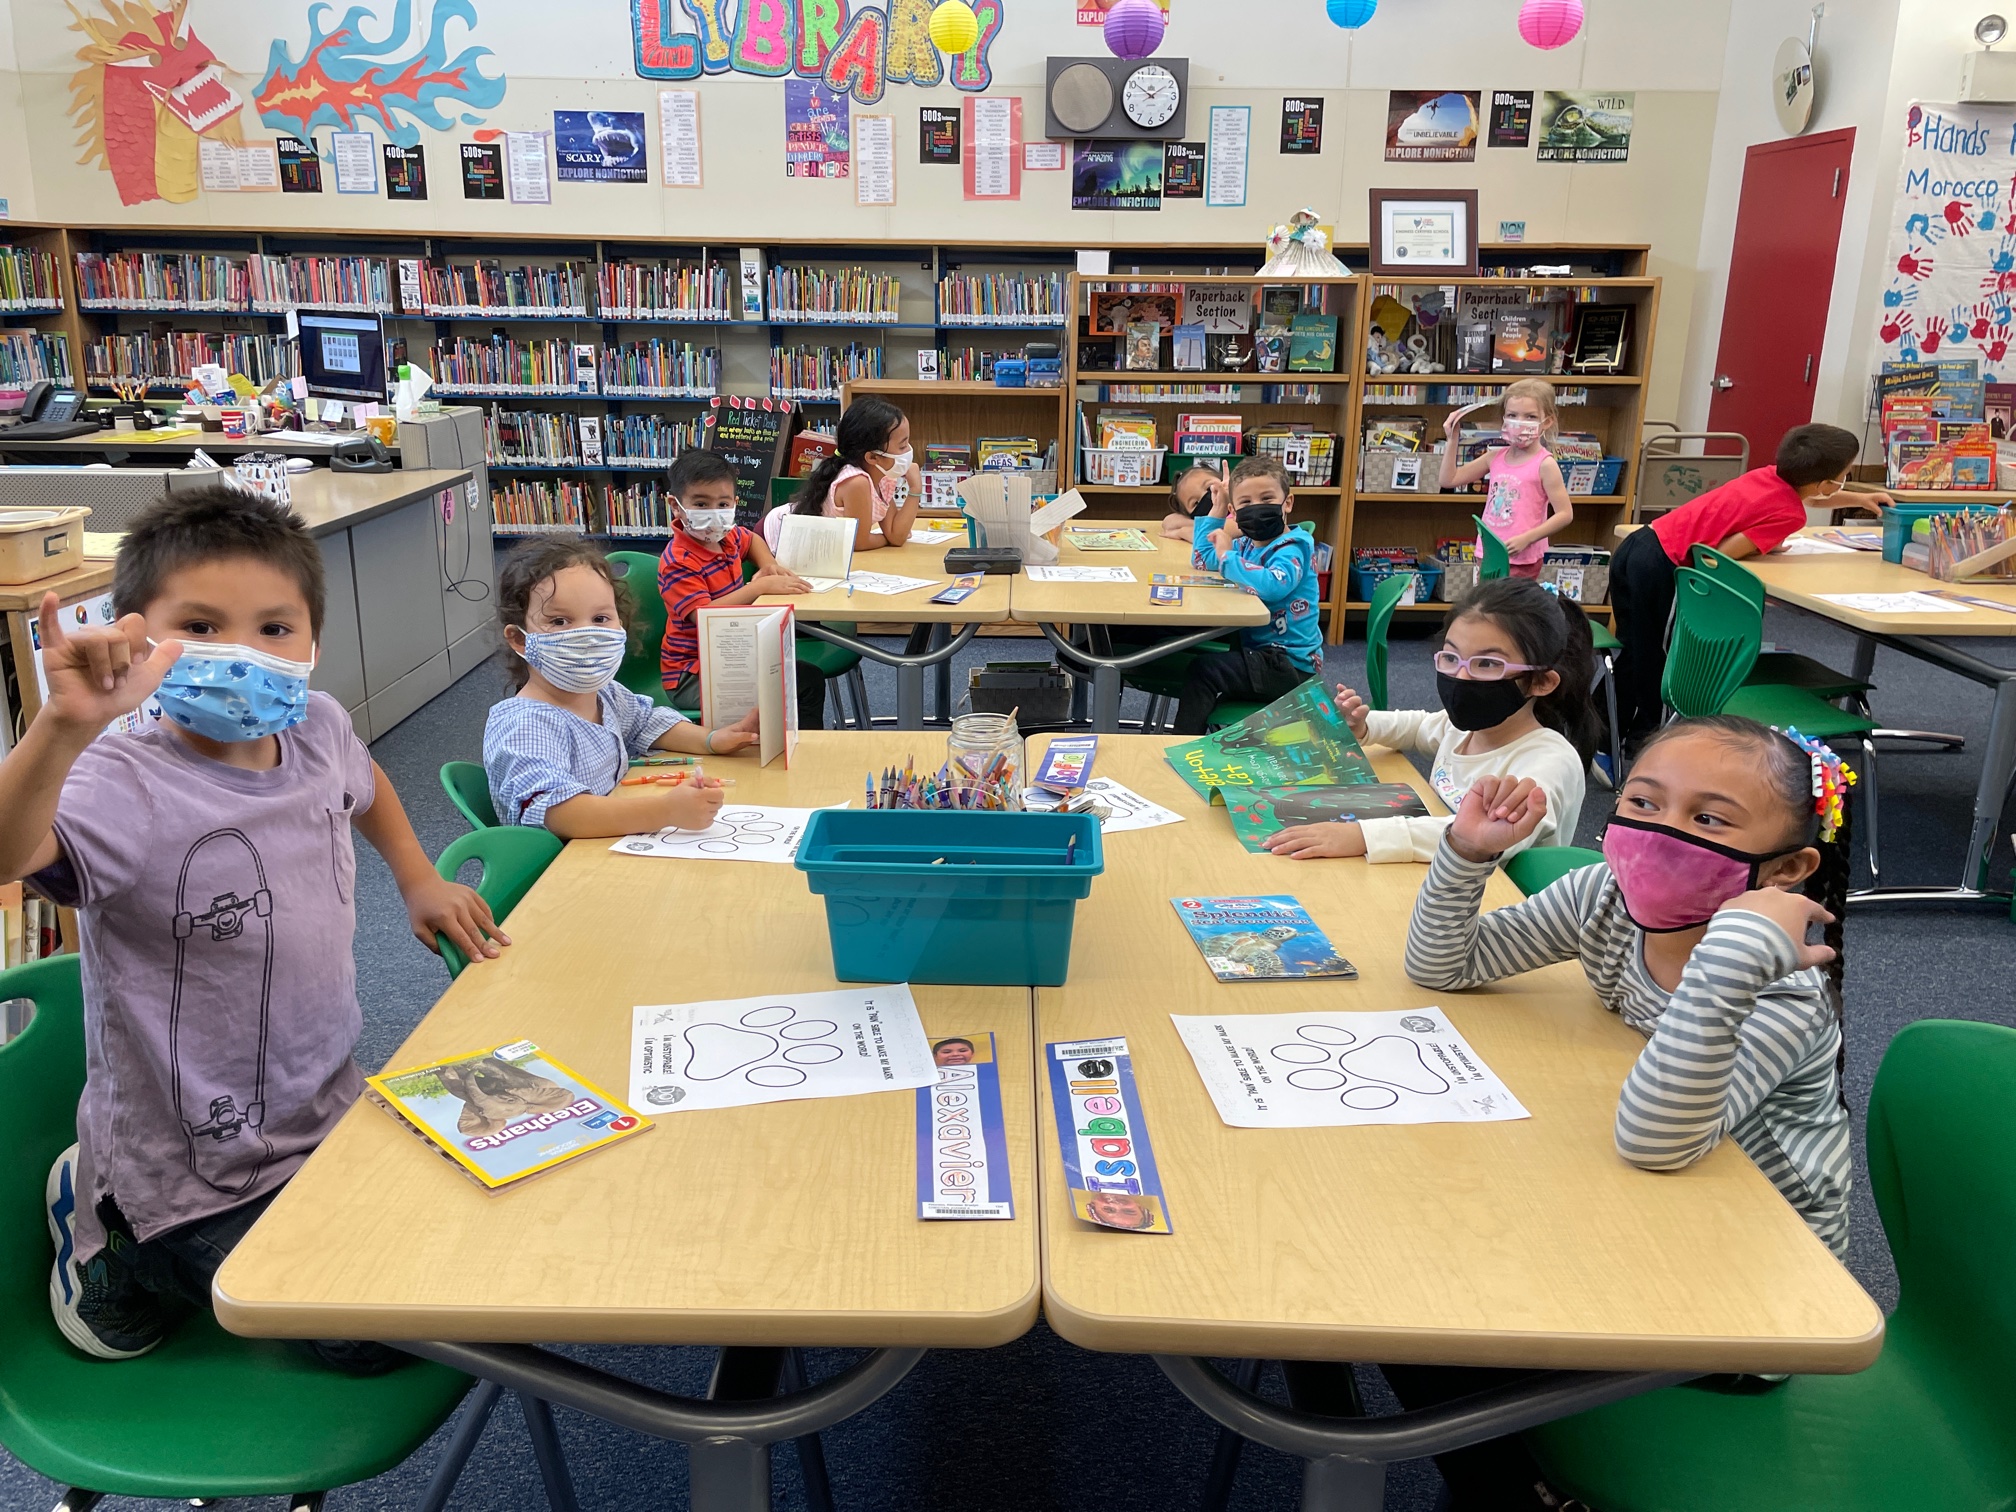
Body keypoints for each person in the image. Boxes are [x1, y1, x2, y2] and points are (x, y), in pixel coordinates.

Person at [0, 484, 504, 1367]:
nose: (241, 652)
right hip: (192, 1170)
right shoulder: (121, 778)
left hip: (325, 1102)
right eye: (200, 626)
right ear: (135, 636)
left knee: (479, 1235)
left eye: (274, 628)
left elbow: (366, 782)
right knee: (386, 1339)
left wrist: (417, 876)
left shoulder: (319, 726)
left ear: (313, 642)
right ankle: (108, 1239)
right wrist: (60, 730)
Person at [1392, 714, 1855, 1508]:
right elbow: (1445, 964)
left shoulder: (1779, 988)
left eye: (1709, 820)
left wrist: (1731, 957)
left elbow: (1655, 1142)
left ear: (1786, 869)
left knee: (1437, 1318)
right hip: (1648, 1215)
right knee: (1426, 1273)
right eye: (1643, 803)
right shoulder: (1605, 897)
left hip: (1751, 1293)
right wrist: (1466, 853)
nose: (1662, 833)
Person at [1264, 578, 1599, 863]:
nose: (1461, 677)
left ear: (1541, 681)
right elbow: (1418, 726)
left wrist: (1362, 835)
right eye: (1451, 658)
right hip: (1440, 879)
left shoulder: (1548, 764)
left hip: (1497, 902)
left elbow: (1479, 834)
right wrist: (1365, 726)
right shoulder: (1467, 729)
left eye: (1487, 664)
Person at [1609, 422, 1884, 745]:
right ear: (1825, 483)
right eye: (1846, 474)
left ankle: (1607, 736)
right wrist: (1759, 543)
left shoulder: (1768, 475)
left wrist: (1860, 498)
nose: (1845, 479)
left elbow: (1808, 496)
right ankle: (1646, 741)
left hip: (1639, 545)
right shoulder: (1791, 514)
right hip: (1663, 566)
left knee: (1632, 650)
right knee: (1659, 659)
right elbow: (1719, 555)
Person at [487, 537, 758, 837]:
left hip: (608, 844)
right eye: (560, 621)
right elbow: (561, 812)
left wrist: (712, 739)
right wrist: (665, 811)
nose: (588, 635)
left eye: (600, 618)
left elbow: (646, 722)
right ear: (520, 639)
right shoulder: (525, 725)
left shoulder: (604, 693)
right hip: (565, 862)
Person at [655, 449, 825, 729]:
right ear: (676, 505)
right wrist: (759, 587)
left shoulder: (728, 537)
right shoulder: (678, 561)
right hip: (692, 675)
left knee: (806, 678)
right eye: (701, 504)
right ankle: (790, 745)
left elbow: (752, 540)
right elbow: (705, 616)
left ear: (734, 503)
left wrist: (768, 564)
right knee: (797, 686)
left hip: (732, 656)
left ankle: (795, 743)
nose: (714, 514)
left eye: (723, 504)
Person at [1173, 455, 1324, 734]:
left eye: (1267, 499)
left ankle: (1180, 745)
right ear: (1234, 509)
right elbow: (1203, 561)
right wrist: (1217, 511)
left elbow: (1273, 584)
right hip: (1260, 653)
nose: (1256, 508)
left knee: (1203, 671)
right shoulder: (1248, 544)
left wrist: (1227, 557)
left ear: (1287, 503)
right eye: (1245, 503)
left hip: (1289, 666)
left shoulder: (1293, 547)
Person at [1437, 378, 1573, 580]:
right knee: (1487, 600)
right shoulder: (1495, 457)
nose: (1519, 422)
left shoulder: (1545, 464)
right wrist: (1453, 438)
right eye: (1512, 415)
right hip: (1489, 554)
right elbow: (1448, 480)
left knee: (1510, 602)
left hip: (1522, 558)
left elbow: (1565, 514)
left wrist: (1527, 539)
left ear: (1547, 421)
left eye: (1530, 416)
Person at [763, 396, 921, 554]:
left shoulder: (882, 478)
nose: (909, 450)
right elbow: (859, 542)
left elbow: (896, 536)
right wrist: (885, 539)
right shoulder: (857, 482)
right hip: (775, 537)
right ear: (872, 457)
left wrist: (915, 489)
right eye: (902, 446)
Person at [1159, 458, 1227, 541]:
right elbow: (1168, 522)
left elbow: (1216, 537)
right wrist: (1203, 525)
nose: (1205, 497)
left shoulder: (1237, 510)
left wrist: (1182, 532)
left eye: (1209, 488)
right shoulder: (1199, 518)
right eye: (1196, 503)